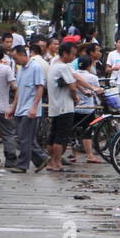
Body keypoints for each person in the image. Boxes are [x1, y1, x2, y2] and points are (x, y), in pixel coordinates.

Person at [11, 42, 48, 173]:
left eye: (15, 58)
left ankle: (22, 165)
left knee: (24, 138)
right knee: (23, 137)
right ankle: (41, 158)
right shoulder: (20, 69)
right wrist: (13, 107)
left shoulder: (35, 67)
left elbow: (40, 88)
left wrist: (34, 107)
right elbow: (18, 90)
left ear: (22, 55)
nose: (15, 61)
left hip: (30, 108)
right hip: (20, 107)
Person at [46, 42, 79, 171]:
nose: (73, 58)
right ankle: (57, 163)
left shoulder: (52, 66)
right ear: (65, 54)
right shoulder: (63, 67)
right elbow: (72, 85)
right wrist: (75, 96)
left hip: (54, 105)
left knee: (53, 135)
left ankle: (50, 162)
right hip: (65, 106)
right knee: (61, 136)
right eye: (72, 55)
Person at [73, 54, 105, 164]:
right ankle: (89, 155)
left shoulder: (74, 75)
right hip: (88, 109)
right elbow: (97, 91)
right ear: (89, 65)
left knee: (73, 131)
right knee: (87, 132)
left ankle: (73, 154)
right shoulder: (93, 78)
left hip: (75, 108)